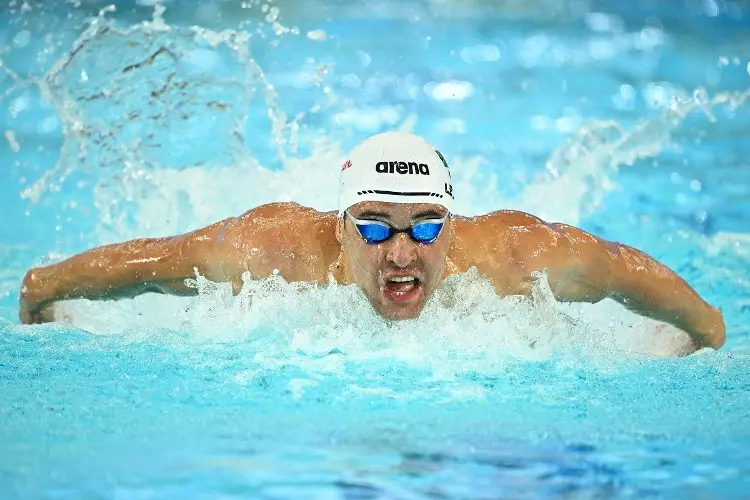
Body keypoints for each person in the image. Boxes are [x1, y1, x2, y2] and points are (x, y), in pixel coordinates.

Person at [19, 131, 725, 353]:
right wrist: (44, 290)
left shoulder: (515, 255)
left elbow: (625, 270)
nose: (400, 253)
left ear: (453, 225)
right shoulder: (273, 255)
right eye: (373, 229)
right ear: (338, 227)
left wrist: (708, 331)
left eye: (424, 227)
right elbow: (155, 264)